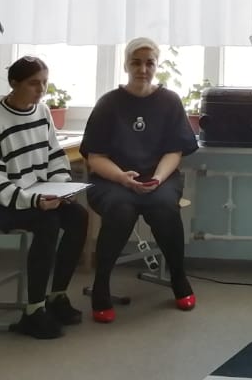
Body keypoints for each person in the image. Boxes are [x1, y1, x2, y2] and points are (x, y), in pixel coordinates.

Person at [0, 55, 88, 339]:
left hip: (31, 193)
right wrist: (33, 201)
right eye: (34, 83)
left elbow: (54, 154)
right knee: (47, 222)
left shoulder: (42, 111)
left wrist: (62, 188)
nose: (41, 90)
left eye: (45, 82)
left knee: (78, 217)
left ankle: (56, 297)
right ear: (14, 83)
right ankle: (34, 311)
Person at [80, 37, 199, 322]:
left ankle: (179, 278)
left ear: (157, 66)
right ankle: (101, 285)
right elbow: (95, 156)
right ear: (125, 65)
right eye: (136, 62)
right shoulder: (109, 103)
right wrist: (122, 177)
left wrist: (157, 178)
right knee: (121, 210)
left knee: (164, 207)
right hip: (112, 179)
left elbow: (174, 151)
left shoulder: (169, 101)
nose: (142, 69)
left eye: (149, 63)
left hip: (159, 177)